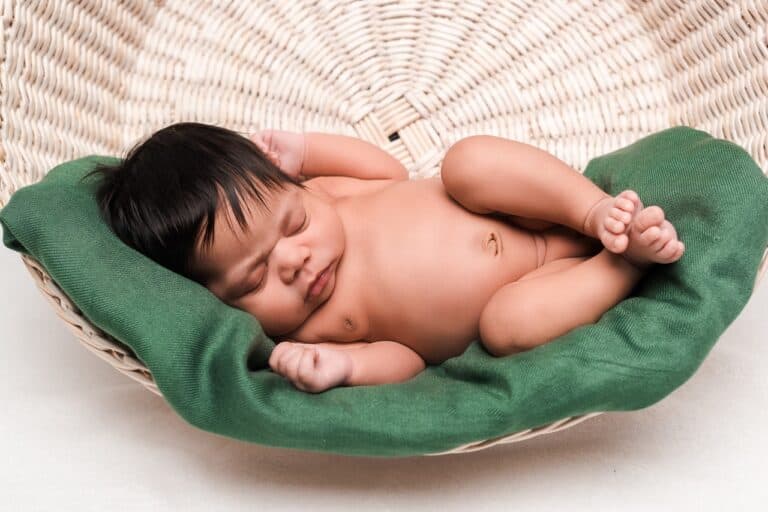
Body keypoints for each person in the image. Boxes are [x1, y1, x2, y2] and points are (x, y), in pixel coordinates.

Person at [89, 122, 685, 393]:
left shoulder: (330, 190)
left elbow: (389, 169)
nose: (293, 261)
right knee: (508, 329)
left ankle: (593, 211)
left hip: (526, 210)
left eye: (292, 225)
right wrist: (342, 368)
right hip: (548, 286)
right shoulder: (320, 326)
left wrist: (306, 146)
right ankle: (621, 262)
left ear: (294, 184)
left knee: (467, 162)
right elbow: (403, 361)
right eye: (254, 279)